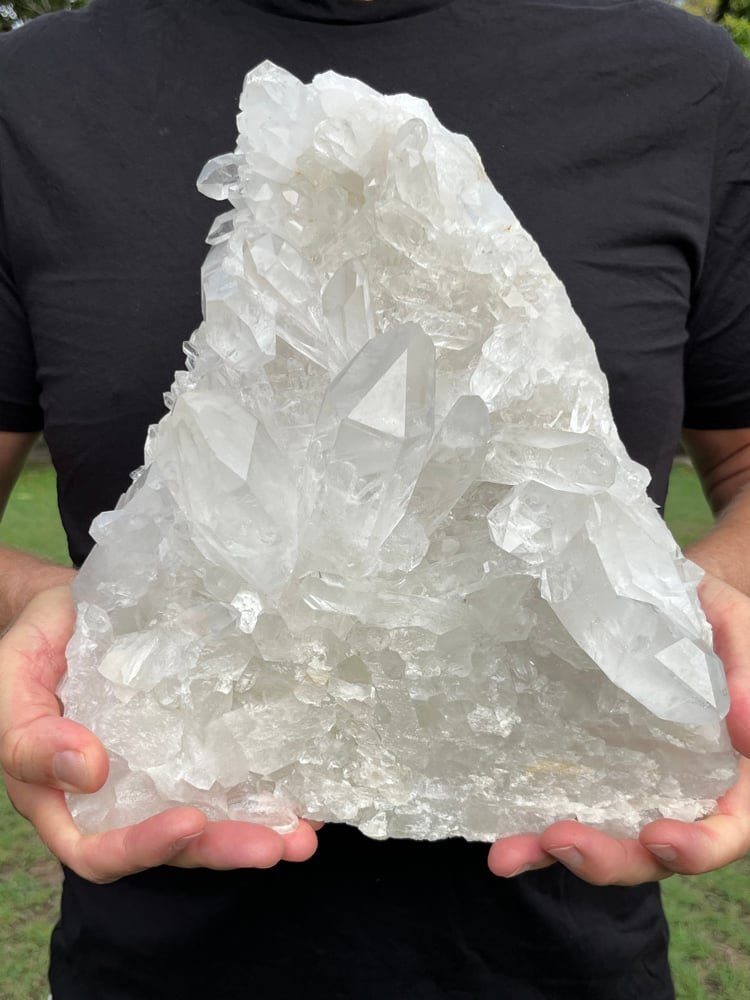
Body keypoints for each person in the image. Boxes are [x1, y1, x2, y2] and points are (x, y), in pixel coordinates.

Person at [1, 0, 750, 997]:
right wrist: (51, 608)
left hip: (570, 958)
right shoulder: (30, 91)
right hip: (150, 956)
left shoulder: (687, 81)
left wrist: (681, 611)